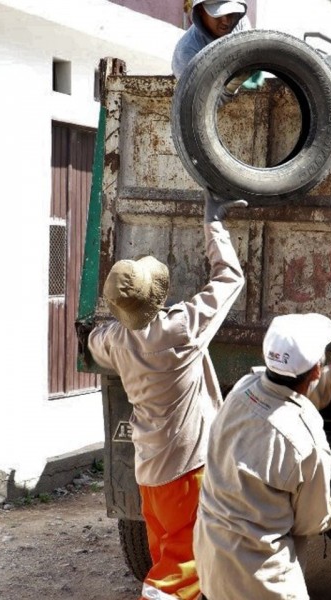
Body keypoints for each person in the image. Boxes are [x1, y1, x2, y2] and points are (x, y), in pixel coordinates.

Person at [193, 313, 331, 600]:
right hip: (261, 583)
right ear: (314, 371)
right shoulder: (306, 439)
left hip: (211, 563)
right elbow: (311, 520)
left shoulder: (242, 390)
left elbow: (280, 397)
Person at [86, 191, 246, 600]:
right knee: (178, 577)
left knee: (167, 559)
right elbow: (230, 278)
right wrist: (214, 223)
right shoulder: (181, 330)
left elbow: (94, 340)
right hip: (187, 472)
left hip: (149, 473)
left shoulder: (118, 340)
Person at [171, 0, 251, 79]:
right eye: (218, 15)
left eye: (231, 13)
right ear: (200, 10)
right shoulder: (187, 51)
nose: (226, 21)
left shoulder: (240, 23)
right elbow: (195, 90)